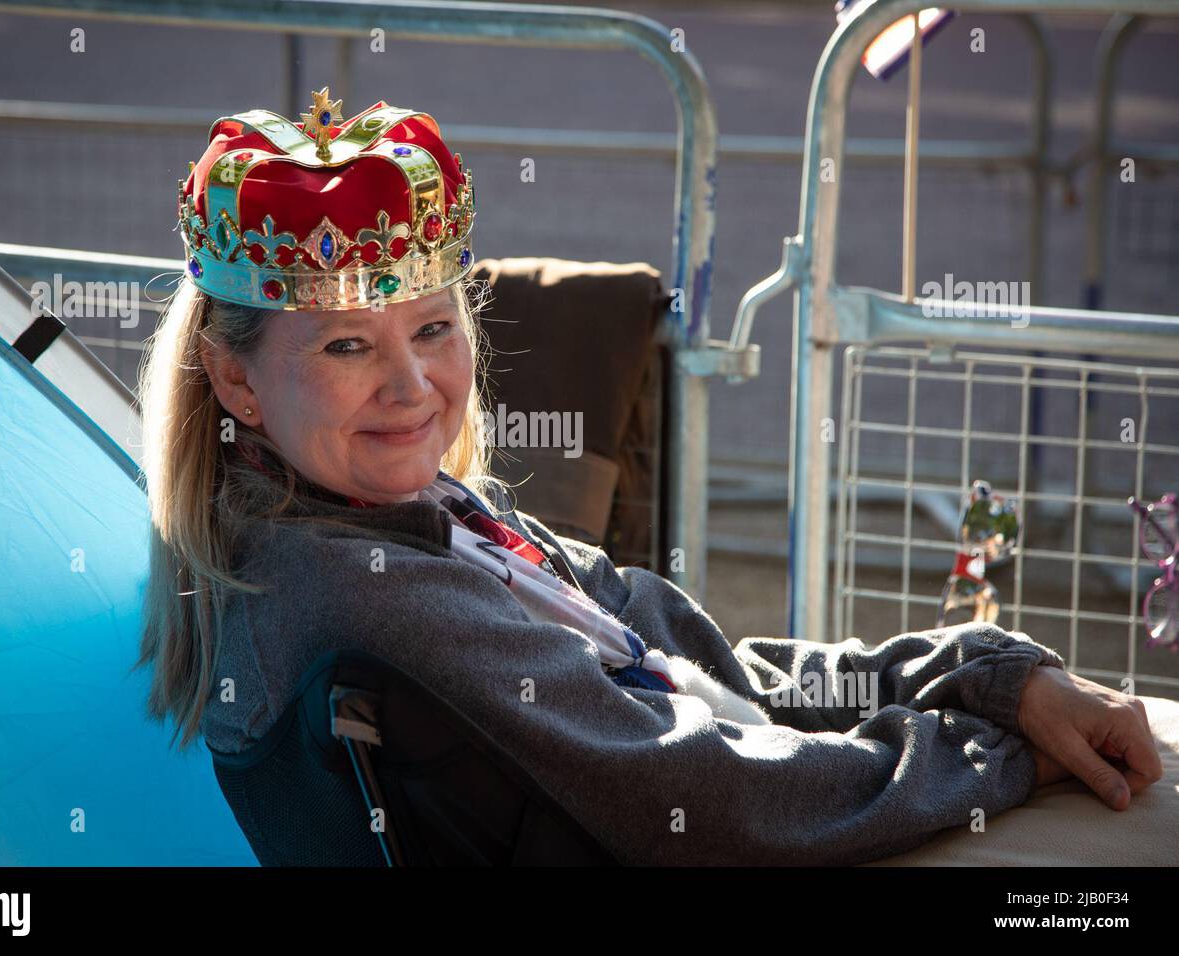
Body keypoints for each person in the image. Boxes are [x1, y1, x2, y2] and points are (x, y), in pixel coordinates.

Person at [135, 87, 1163, 866]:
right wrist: (991, 754)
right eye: (345, 346)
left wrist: (983, 674)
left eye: (434, 327)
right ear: (237, 379)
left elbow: (710, 665)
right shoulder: (356, 582)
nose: (413, 386)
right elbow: (700, 788)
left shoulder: (431, 515)